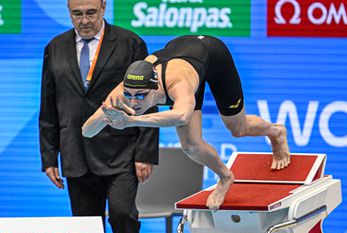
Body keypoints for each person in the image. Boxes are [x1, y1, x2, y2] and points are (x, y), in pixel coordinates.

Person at [82, 35, 290, 211]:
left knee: (238, 128)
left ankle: (276, 132)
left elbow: (181, 115)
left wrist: (130, 121)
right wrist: (104, 117)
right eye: (130, 95)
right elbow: (86, 132)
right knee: (191, 146)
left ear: (154, 90)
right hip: (179, 56)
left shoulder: (177, 84)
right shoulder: (123, 93)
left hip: (213, 56)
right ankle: (226, 177)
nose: (133, 102)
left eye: (140, 96)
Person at [38, 0, 159, 233]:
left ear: (103, 8)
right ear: (69, 13)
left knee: (123, 215)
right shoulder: (55, 47)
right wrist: (49, 157)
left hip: (121, 153)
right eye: (77, 14)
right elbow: (48, 106)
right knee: (84, 227)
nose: (84, 20)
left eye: (91, 13)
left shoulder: (130, 43)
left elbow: (149, 101)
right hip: (76, 152)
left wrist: (145, 154)